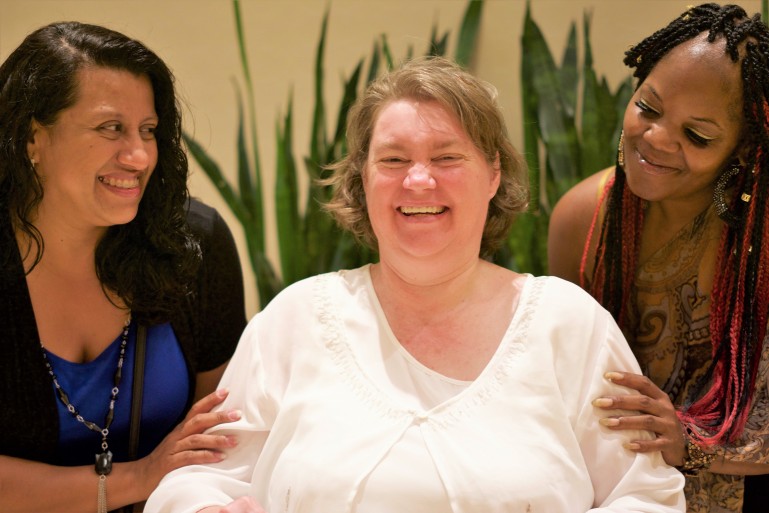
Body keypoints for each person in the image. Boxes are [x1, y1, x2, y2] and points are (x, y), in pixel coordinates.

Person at [145, 56, 685, 513]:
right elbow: (199, 478)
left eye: (447, 157)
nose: (419, 179)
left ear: (493, 174)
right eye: (394, 159)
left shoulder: (571, 325)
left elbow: (647, 495)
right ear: (363, 178)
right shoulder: (294, 320)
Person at [0, 21, 247, 513]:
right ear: (32, 138)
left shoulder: (195, 243)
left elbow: (220, 438)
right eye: (110, 128)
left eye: (148, 131)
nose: (138, 156)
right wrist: (137, 478)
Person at [548, 3, 769, 512]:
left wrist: (686, 445)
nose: (656, 138)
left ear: (743, 149)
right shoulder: (582, 220)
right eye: (648, 107)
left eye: (698, 135)